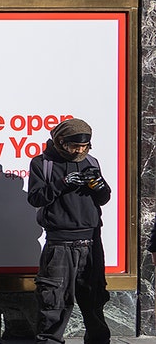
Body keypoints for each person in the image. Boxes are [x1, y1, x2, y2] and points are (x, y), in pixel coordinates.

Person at [27, 118, 111, 344]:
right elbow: (35, 198)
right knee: (54, 302)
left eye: (85, 146)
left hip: (91, 240)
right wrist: (62, 183)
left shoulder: (91, 161)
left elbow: (103, 199)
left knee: (95, 299)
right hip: (60, 243)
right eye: (75, 146)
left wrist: (100, 187)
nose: (80, 151)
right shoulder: (42, 163)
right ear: (61, 141)